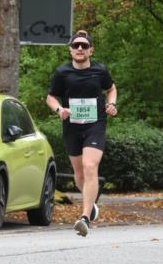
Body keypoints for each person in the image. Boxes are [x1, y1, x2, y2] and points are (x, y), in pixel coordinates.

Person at [46, 30, 117, 237]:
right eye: (76, 45)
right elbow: (50, 97)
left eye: (84, 46)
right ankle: (92, 203)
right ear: (70, 50)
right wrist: (60, 110)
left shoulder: (100, 71)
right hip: (72, 126)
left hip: (95, 124)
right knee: (79, 173)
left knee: (90, 166)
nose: (79, 49)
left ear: (91, 50)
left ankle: (85, 217)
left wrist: (112, 104)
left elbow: (111, 89)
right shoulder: (62, 73)